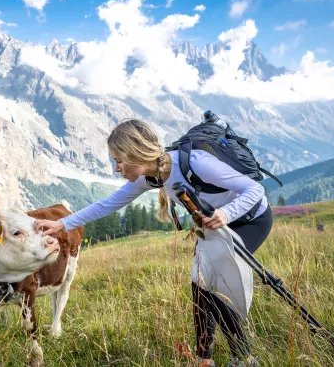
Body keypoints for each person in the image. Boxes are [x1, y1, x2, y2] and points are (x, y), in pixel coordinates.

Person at [34, 119, 273, 367]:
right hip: (215, 226)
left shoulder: (196, 163)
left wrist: (226, 214)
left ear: (135, 153)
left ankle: (244, 358)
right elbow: (107, 204)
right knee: (200, 285)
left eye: (118, 160)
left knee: (218, 288)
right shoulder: (152, 177)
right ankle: (204, 360)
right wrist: (62, 224)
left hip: (250, 219)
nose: (117, 168)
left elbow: (254, 190)